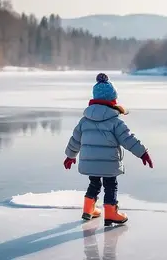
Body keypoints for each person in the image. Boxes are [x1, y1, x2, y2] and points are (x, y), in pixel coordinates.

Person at [63, 73, 153, 226]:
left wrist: (70, 156)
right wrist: (143, 153)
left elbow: (75, 139)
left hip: (90, 163)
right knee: (111, 185)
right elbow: (128, 139)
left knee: (94, 183)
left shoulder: (84, 120)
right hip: (109, 163)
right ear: (112, 100)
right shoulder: (115, 122)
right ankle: (111, 213)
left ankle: (88, 209)